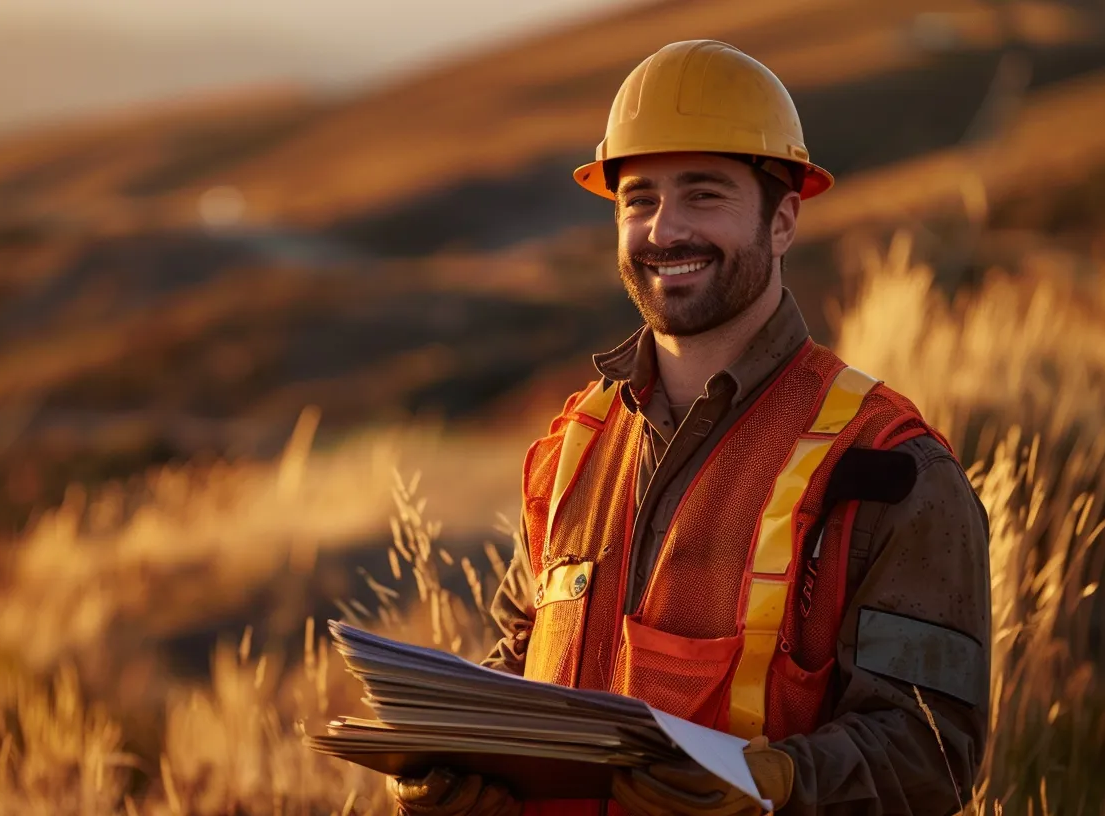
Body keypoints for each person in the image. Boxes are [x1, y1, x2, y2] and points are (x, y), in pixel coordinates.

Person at [387, 40, 991, 816]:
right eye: (638, 200)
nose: (664, 230)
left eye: (704, 195)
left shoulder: (887, 469)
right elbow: (520, 658)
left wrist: (770, 785)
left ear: (783, 221)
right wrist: (465, 762)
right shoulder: (576, 445)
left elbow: (929, 753)